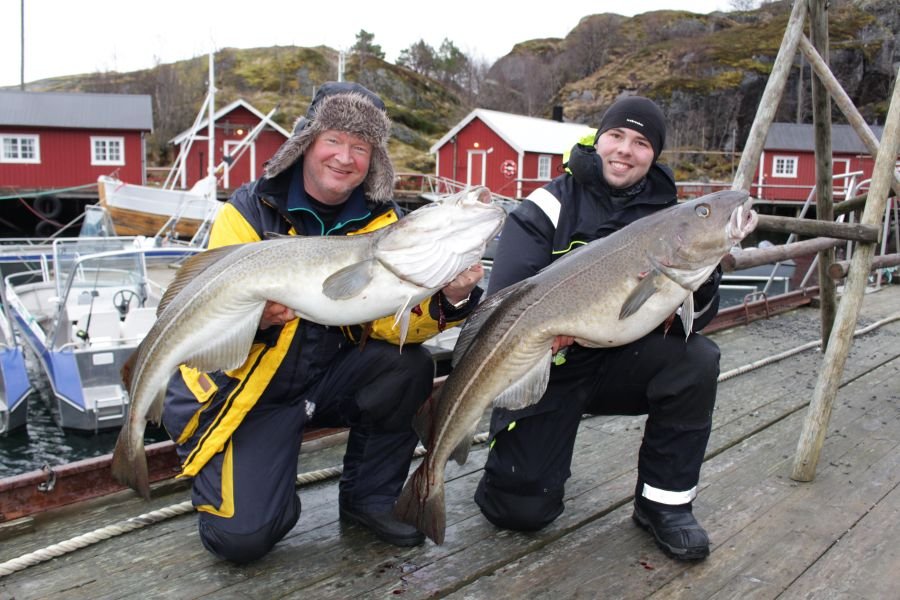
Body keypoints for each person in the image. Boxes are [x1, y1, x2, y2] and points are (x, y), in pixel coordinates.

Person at [162, 82, 484, 563]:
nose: (345, 157)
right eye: (334, 139)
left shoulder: (382, 223)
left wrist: (451, 299)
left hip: (327, 379)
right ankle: (260, 494)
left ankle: (369, 499)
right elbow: (209, 316)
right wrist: (260, 322)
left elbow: (389, 325)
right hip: (252, 390)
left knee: (408, 366)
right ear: (306, 143)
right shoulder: (248, 211)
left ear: (372, 160)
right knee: (241, 540)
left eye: (361, 147)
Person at [473, 96, 721, 561]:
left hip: (621, 361)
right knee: (519, 511)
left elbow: (700, 315)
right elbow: (503, 299)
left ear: (655, 154)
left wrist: (701, 282)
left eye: (642, 142)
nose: (625, 149)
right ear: (598, 139)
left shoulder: (670, 217)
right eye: (616, 136)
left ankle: (663, 504)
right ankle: (511, 472)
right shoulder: (546, 205)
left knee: (697, 359)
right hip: (546, 367)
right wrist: (550, 331)